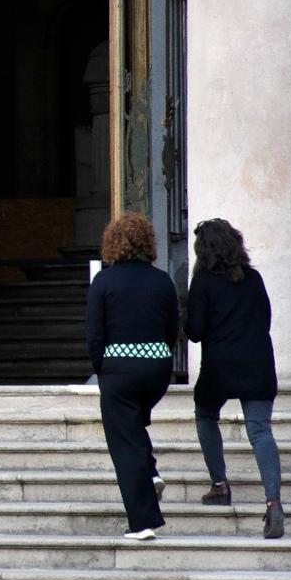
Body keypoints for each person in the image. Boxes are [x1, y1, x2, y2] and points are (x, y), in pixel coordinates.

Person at [186, 218, 284, 539]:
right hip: (258, 363)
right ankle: (273, 503)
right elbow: (266, 319)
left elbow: (195, 332)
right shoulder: (253, 278)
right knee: (260, 431)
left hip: (220, 366)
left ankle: (220, 485)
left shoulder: (202, 282)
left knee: (205, 415)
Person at [85, 212, 179, 540]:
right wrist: (158, 360)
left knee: (123, 442)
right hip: (157, 368)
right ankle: (150, 472)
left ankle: (143, 523)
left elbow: (95, 335)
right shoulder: (162, 279)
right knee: (132, 426)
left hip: (119, 370)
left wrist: (102, 369)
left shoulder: (104, 282)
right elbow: (172, 329)